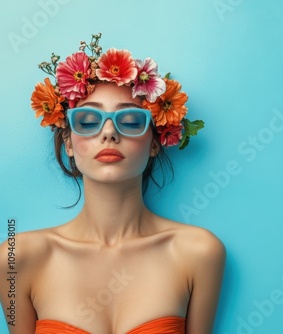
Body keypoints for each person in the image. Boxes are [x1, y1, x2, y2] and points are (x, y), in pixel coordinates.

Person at [0, 33, 225, 334]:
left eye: (131, 121)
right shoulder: (16, 258)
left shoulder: (199, 252)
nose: (108, 133)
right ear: (68, 140)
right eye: (88, 120)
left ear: (155, 142)